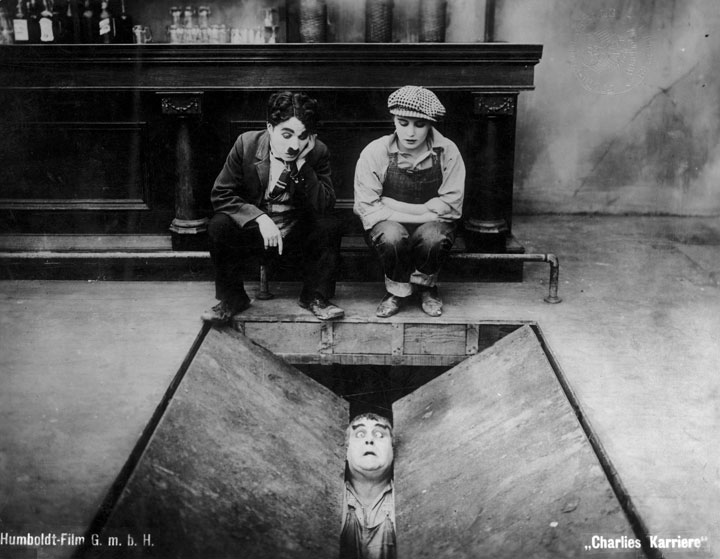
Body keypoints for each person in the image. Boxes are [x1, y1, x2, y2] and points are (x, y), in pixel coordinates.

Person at [201, 91, 345, 324]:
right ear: (270, 127)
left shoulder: (317, 152)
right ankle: (233, 298)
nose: (294, 145)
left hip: (295, 233)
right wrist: (259, 218)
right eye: (286, 135)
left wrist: (303, 167)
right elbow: (221, 194)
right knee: (219, 225)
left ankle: (315, 296)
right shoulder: (246, 144)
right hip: (256, 234)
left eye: (302, 136)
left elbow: (325, 204)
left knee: (331, 224)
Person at [353, 85, 465, 318]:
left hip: (432, 226)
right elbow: (368, 209)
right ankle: (397, 290)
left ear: (431, 124)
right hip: (388, 226)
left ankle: (426, 288)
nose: (410, 133)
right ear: (393, 120)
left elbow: (451, 208)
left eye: (420, 124)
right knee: (392, 236)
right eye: (403, 123)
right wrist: (425, 210)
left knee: (434, 237)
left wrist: (391, 204)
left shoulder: (448, 151)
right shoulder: (375, 152)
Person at [341, 413, 396, 559]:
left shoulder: (405, 499)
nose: (369, 440)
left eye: (379, 434)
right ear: (346, 450)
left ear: (393, 450)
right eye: (360, 434)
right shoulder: (332, 497)